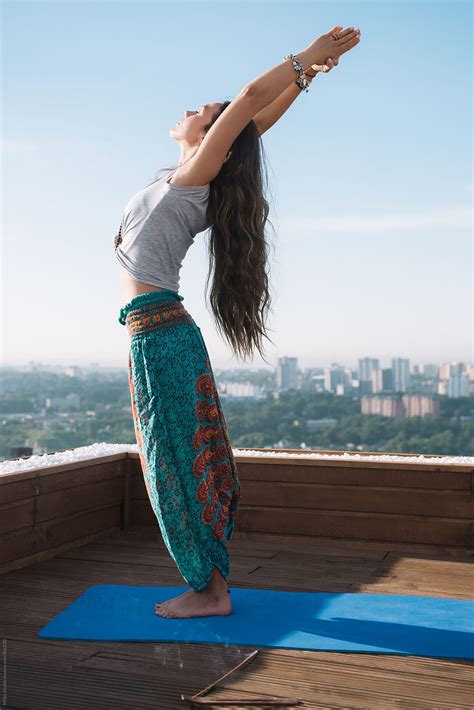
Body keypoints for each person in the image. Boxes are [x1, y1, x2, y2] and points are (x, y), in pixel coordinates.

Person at [114, 25, 362, 619]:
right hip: (155, 337)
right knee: (174, 455)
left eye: (205, 111)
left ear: (211, 138)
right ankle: (210, 585)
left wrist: (306, 58)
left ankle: (211, 592)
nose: (194, 109)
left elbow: (248, 104)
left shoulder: (193, 182)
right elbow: (255, 123)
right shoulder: (185, 176)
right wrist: (303, 81)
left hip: (161, 337)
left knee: (177, 460)